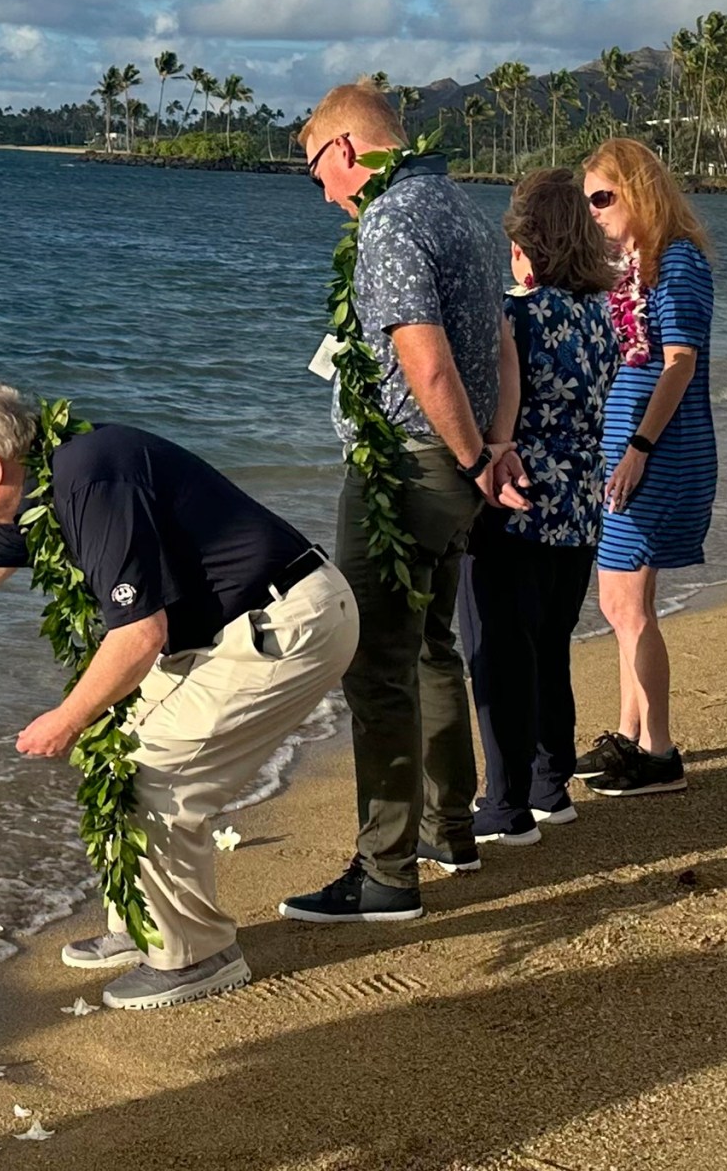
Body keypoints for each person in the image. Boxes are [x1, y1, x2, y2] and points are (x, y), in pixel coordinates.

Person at [0, 378, 358, 1010]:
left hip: (285, 622)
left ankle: (197, 958)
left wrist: (67, 716)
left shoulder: (92, 478)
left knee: (150, 774)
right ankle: (145, 925)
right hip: (225, 631)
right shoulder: (39, 489)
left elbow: (138, 633)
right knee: (112, 758)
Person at [279, 81, 515, 928]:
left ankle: (386, 872)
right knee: (431, 646)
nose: (325, 195)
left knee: (375, 663)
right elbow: (499, 343)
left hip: (406, 473)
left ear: (345, 149)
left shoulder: (389, 221)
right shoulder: (457, 207)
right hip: (454, 465)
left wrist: (470, 453)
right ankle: (451, 828)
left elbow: (427, 360)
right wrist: (496, 447)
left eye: (318, 174)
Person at [465, 170, 620, 843]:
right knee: (549, 644)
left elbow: (486, 403)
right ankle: (548, 783)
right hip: (579, 506)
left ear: (528, 246)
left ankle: (504, 803)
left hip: (517, 502)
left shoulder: (519, 318)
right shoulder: (600, 318)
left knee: (499, 648)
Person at [575, 138, 714, 796]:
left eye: (603, 199)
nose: (594, 213)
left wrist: (639, 448)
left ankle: (658, 751)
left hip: (656, 452)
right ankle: (629, 735)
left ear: (637, 192)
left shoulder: (674, 263)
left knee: (626, 603)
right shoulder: (630, 265)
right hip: (629, 451)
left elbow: (679, 362)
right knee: (621, 600)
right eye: (588, 203)